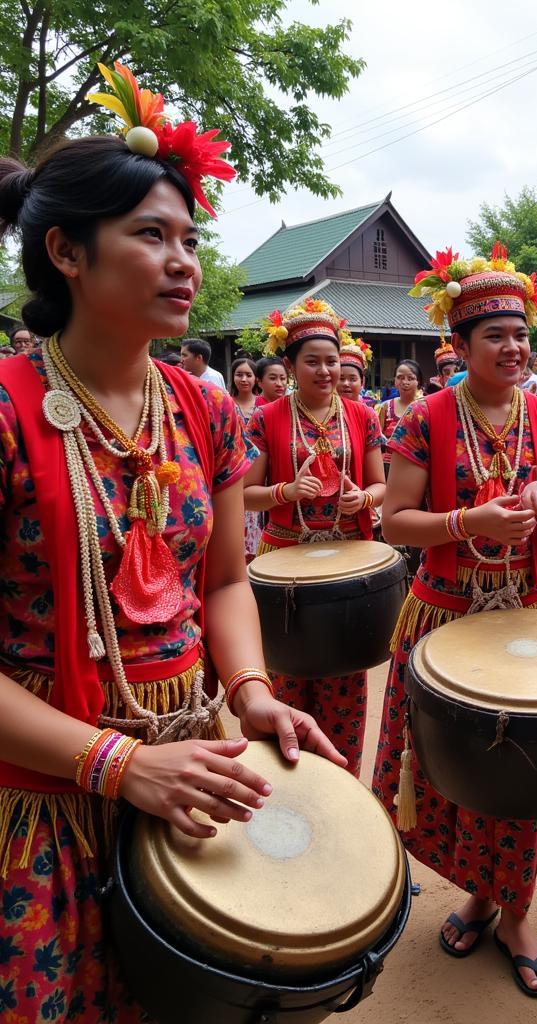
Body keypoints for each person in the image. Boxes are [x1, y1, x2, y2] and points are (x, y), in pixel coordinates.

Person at [0, 63, 345, 1020]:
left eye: (190, 237)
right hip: (43, 796)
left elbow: (227, 580)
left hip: (192, 769)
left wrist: (253, 693)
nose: (186, 261)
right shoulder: (4, 410)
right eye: (151, 235)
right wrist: (117, 765)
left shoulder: (201, 406)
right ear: (67, 253)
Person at [375, 243, 537, 997]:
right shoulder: (425, 416)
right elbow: (396, 523)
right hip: (443, 619)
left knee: (521, 770)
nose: (514, 347)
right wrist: (470, 522)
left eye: (520, 332)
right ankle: (477, 890)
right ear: (457, 347)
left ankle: (514, 909)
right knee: (448, 772)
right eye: (494, 334)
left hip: (528, 618)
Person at [243, 300, 386, 776]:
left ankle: (342, 786)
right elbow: (245, 495)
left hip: (345, 564)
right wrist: (287, 490)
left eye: (332, 360)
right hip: (285, 562)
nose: (326, 370)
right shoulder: (266, 418)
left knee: (344, 679)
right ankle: (285, 787)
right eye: (313, 361)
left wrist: (362, 500)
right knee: (285, 676)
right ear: (289, 366)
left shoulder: (362, 416)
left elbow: (380, 485)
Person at [231, 356, 263, 559]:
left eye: (248, 375)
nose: (244, 379)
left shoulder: (261, 406)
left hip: (256, 466)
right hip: (233, 467)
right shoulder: (225, 402)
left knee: (254, 512)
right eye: (239, 374)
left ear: (256, 379)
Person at [376, 358, 423, 475]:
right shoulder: (385, 407)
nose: (405, 382)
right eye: (400, 377)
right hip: (387, 467)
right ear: (395, 381)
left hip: (415, 466)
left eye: (410, 378)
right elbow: (376, 439)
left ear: (419, 382)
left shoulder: (424, 408)